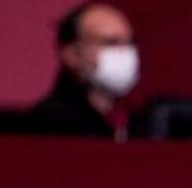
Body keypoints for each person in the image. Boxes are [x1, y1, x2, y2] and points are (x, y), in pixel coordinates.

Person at [31, 2, 138, 141]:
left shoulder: (136, 124)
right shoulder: (48, 125)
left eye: (129, 43)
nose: (124, 52)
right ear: (72, 54)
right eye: (111, 43)